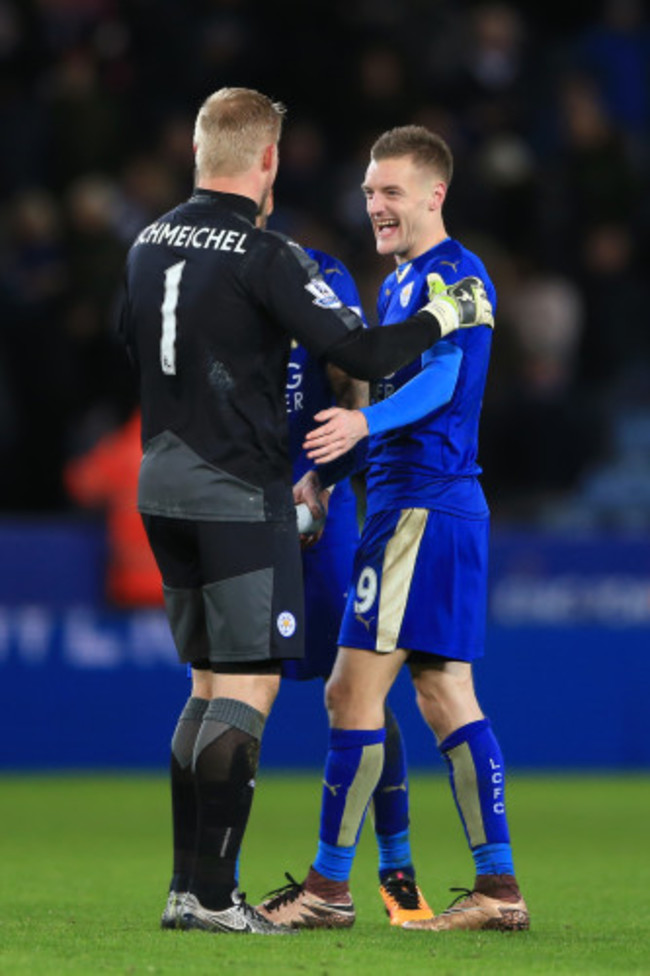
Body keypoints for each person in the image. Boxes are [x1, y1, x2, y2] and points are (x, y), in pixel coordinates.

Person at [119, 88, 493, 937]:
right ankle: (224, 895)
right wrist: (444, 316)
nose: (374, 204)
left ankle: (210, 887)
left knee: (230, 684)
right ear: (269, 163)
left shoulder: (146, 243)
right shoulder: (273, 258)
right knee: (280, 687)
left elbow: (131, 344)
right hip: (246, 497)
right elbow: (360, 357)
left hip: (179, 486)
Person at [257, 125, 529, 932]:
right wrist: (331, 469)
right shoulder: (402, 284)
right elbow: (388, 399)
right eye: (370, 191)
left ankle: (328, 890)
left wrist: (364, 428)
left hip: (418, 507)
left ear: (435, 194)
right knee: (445, 692)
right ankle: (497, 890)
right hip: (435, 505)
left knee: (351, 690)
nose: (376, 204)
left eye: (392, 192)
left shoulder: (457, 274)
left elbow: (441, 382)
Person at [285, 244, 434, 927]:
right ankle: (208, 887)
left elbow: (356, 383)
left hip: (320, 506)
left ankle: (395, 868)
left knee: (357, 691)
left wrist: (329, 478)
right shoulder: (215, 280)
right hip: (238, 507)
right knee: (224, 682)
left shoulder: (317, 276)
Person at [64, 409, 164, 608]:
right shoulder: (188, 456)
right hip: (176, 587)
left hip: (129, 584)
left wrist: (93, 445)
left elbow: (80, 484)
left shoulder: (119, 449)